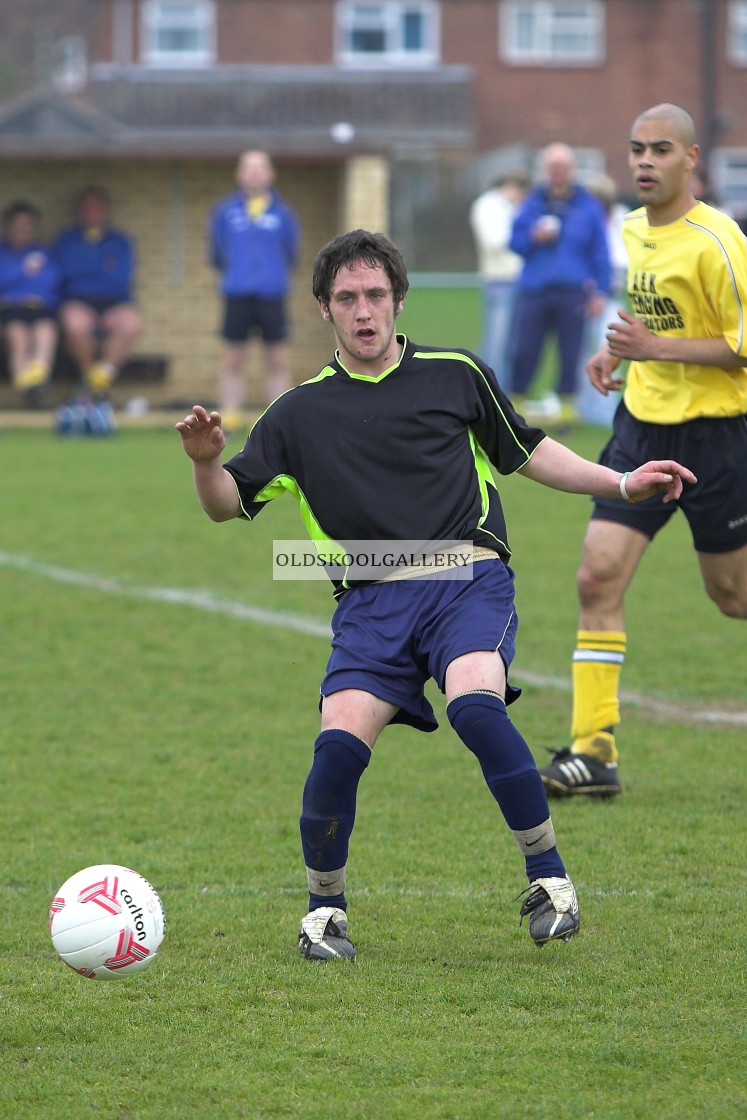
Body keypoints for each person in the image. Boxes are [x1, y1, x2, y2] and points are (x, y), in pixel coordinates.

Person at [176, 229, 695, 960]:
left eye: (376, 295)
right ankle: (325, 914)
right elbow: (227, 503)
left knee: (476, 707)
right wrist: (204, 464)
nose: (364, 312)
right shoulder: (296, 413)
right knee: (334, 750)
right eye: (348, 298)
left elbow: (529, 451)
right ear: (324, 308)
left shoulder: (455, 374)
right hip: (369, 603)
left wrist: (619, 481)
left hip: (466, 578)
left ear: (397, 300)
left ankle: (549, 881)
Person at [540, 103, 747, 800]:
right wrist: (613, 351)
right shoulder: (628, 226)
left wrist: (653, 348)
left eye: (660, 149)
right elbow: (652, 316)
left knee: (731, 597)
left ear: (691, 159)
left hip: (715, 439)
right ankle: (592, 752)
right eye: (635, 149)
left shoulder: (717, 241)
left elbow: (740, 346)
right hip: (638, 430)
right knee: (596, 577)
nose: (643, 162)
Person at [508, 143, 612, 421]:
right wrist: (533, 237)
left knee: (570, 351)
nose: (557, 173)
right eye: (552, 167)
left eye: (562, 167)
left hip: (573, 291)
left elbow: (600, 251)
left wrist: (600, 290)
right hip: (534, 289)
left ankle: (567, 409)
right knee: (524, 349)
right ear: (545, 170)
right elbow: (514, 242)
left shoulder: (588, 206)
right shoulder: (531, 203)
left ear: (571, 170)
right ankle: (516, 403)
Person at [208, 149, 300, 432]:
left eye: (261, 168)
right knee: (233, 358)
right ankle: (231, 417)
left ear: (271, 174)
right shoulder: (224, 212)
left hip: (272, 295)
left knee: (277, 359)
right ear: (239, 174)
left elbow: (291, 253)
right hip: (237, 294)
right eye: (249, 168)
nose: (255, 173)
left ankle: (278, 420)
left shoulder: (284, 214)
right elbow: (216, 253)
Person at [53, 186, 142, 394]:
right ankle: (89, 377)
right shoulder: (67, 239)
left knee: (131, 323)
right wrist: (101, 267)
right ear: (79, 211)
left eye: (96, 207)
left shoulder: (119, 241)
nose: (91, 212)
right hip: (78, 300)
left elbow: (120, 275)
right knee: (76, 324)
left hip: (115, 301)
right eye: (87, 208)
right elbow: (67, 272)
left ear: (104, 210)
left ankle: (103, 376)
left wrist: (87, 268)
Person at [575, 174, 629, 427]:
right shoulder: (580, 220)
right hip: (584, 298)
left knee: (609, 348)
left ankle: (605, 405)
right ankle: (583, 405)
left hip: (612, 298)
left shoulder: (621, 218)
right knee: (582, 352)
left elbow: (621, 257)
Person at [469, 169, 531, 391]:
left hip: (516, 281)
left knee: (510, 344)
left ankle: (500, 392)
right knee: (496, 343)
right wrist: (525, 237)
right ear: (512, 185)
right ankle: (490, 392)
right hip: (499, 281)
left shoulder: (508, 207)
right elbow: (493, 241)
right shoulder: (488, 206)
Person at [0, 200, 61, 405]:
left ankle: (38, 383)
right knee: (18, 335)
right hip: (10, 310)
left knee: (46, 332)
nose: (23, 229)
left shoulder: (44, 253)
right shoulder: (3, 252)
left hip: (40, 308)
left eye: (28, 225)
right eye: (18, 224)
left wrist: (22, 284)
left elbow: (51, 281)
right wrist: (24, 272)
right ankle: (25, 386)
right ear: (9, 226)